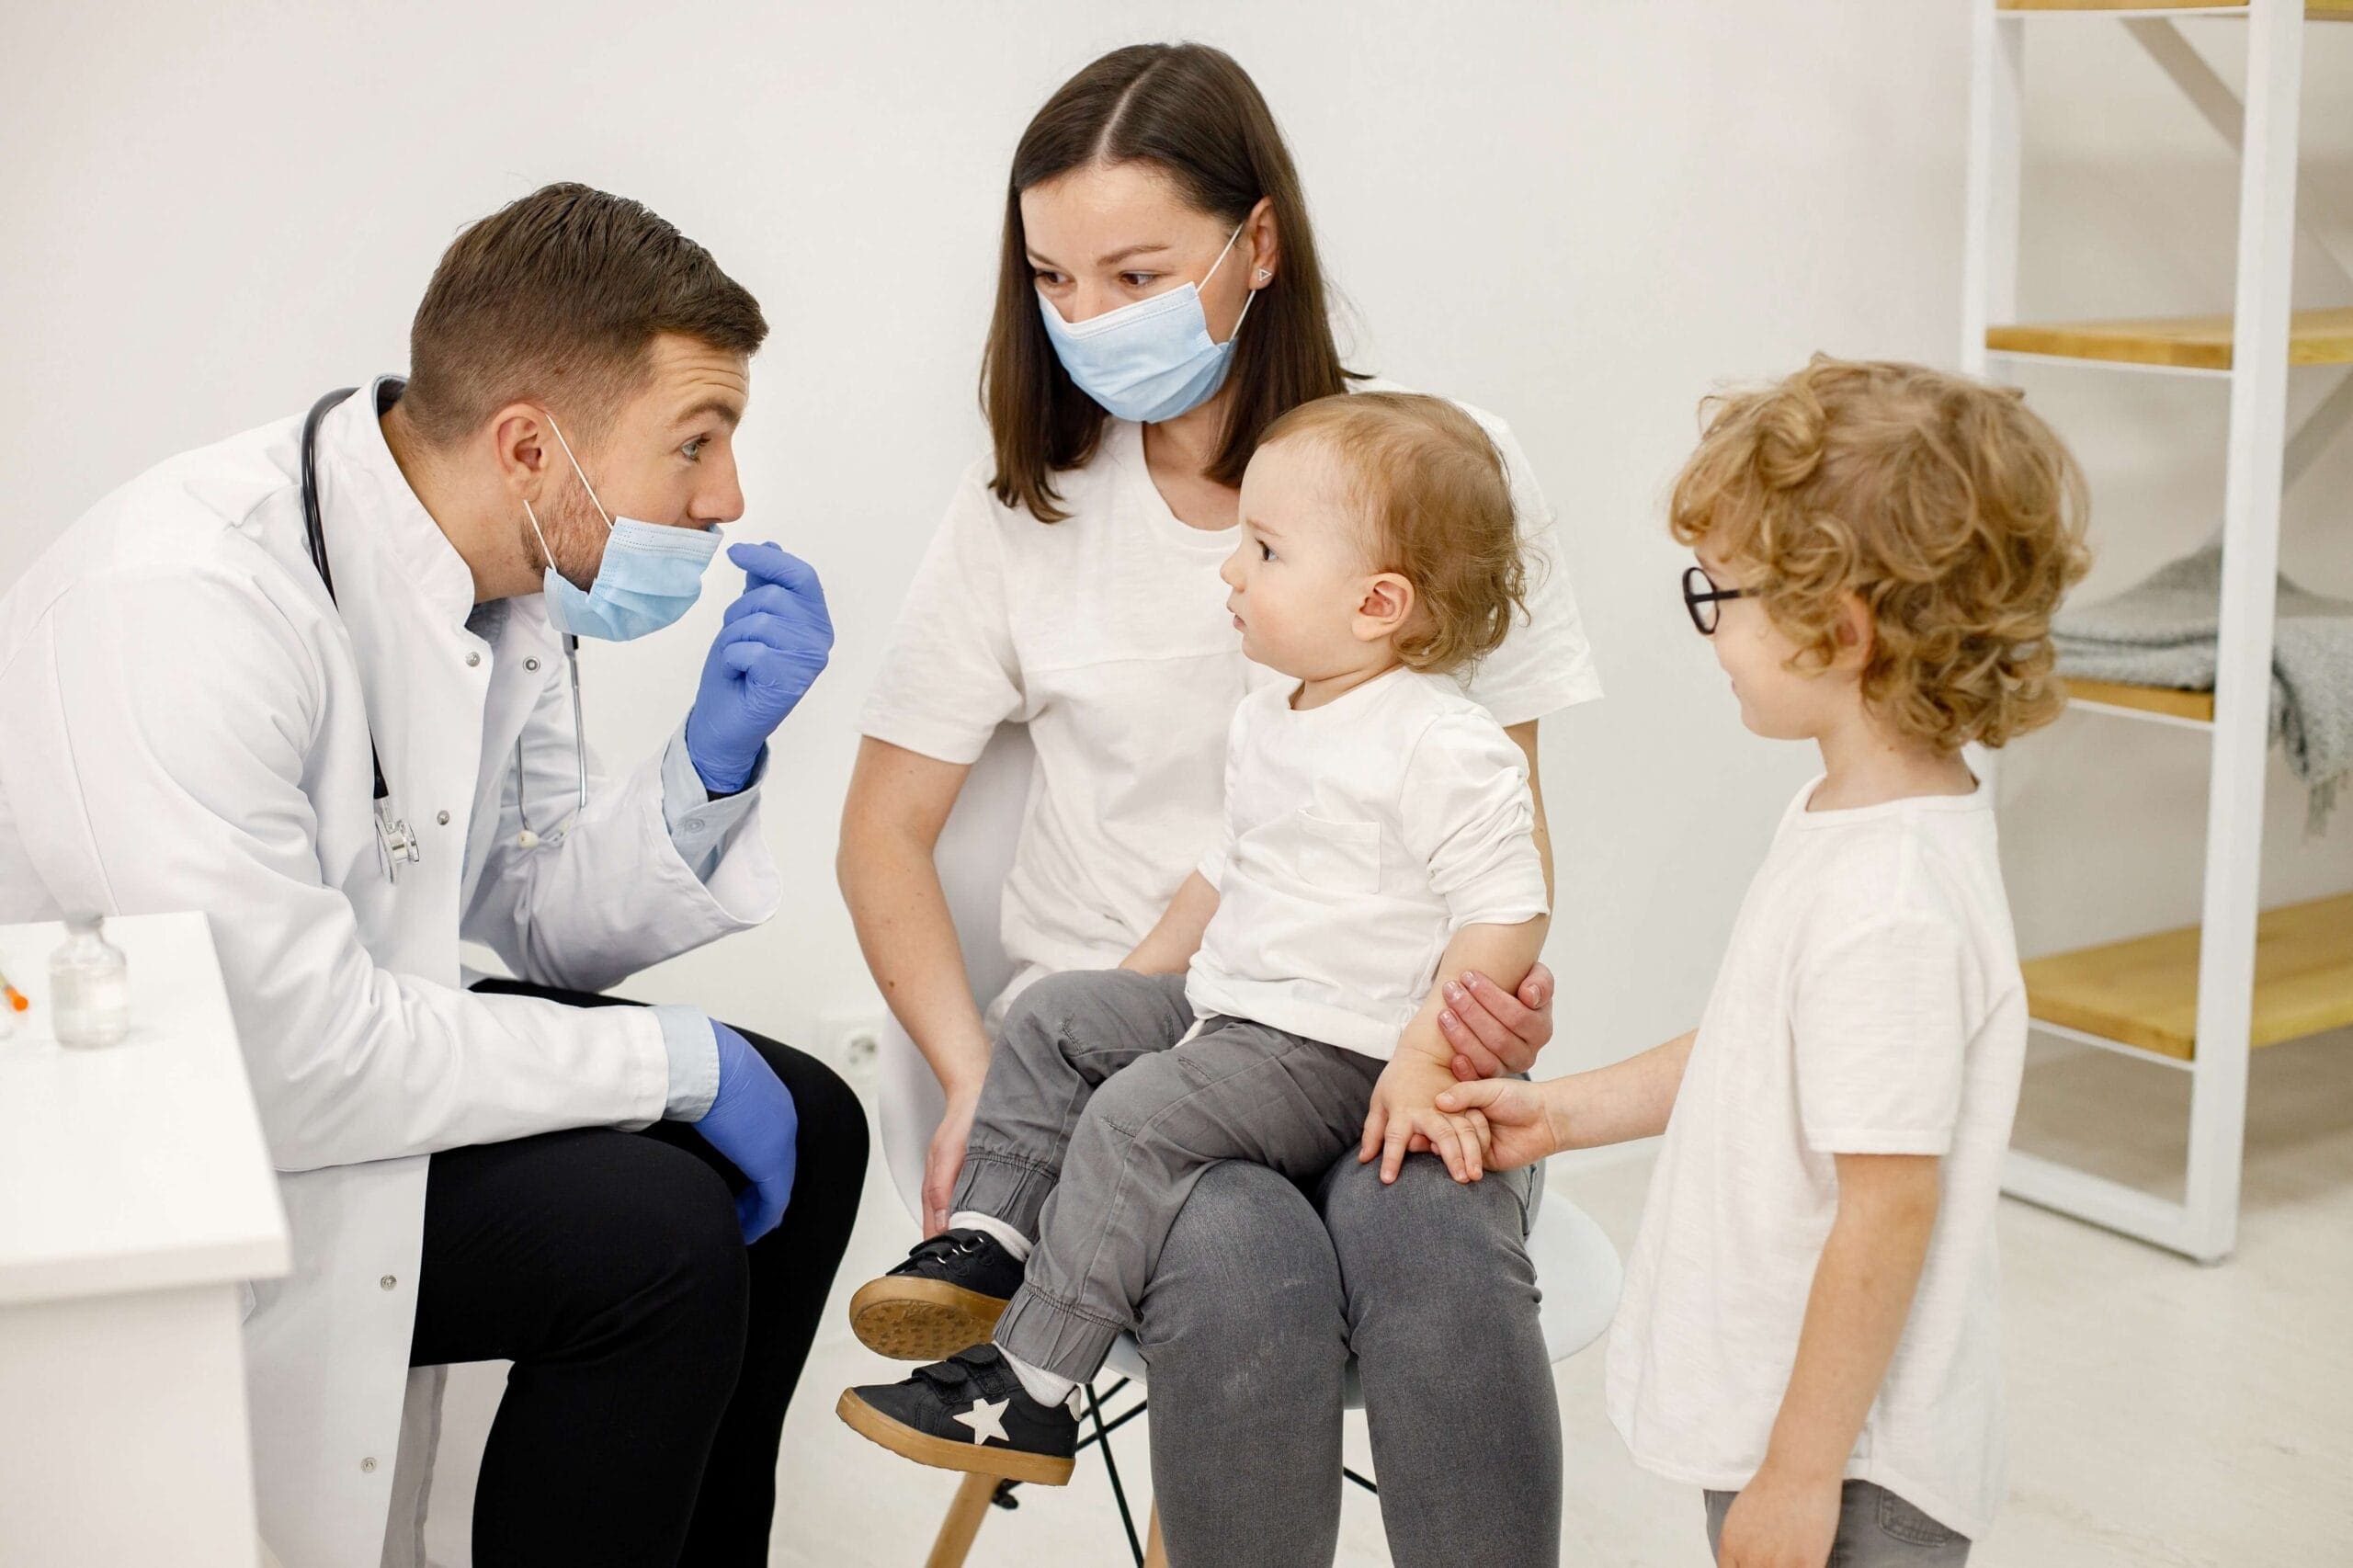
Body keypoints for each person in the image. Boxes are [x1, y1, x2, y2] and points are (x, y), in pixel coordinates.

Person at [0, 183, 867, 1568]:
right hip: (180, 1145)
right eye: (696, 441)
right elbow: (289, 1060)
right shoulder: (181, 605)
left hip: (329, 1066)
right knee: (656, 1238)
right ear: (532, 443)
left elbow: (520, 919)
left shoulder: (500, 587)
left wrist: (708, 767)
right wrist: (677, 1063)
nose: (727, 499)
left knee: (816, 1125)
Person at [839, 42, 1599, 1566]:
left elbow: (1503, 831)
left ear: (1259, 243)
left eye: (1135, 273)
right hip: (1151, 1048)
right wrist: (980, 1075)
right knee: (1241, 1257)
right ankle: (1028, 1347)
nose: (1088, 320)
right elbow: (882, 837)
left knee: (1431, 1227)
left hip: (1378, 1033)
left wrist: (1469, 1016)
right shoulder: (1020, 516)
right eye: (1053, 279)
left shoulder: (1437, 476)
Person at [1438, 358, 2090, 1567]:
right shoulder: (1854, 820)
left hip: (1849, 1457)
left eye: (1719, 596)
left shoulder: (1890, 904)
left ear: (1838, 628)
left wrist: (1797, 1473)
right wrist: (1561, 1112)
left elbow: (1888, 1205)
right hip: (1793, 1415)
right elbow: (1760, 1048)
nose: (1712, 631)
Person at [838, 392, 1549, 1479]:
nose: (1230, 570)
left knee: (1134, 1116)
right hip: (1238, 1009)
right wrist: (1116, 1003)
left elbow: (1511, 906)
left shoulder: (1442, 743)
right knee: (1058, 1011)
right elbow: (1218, 879)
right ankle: (991, 1242)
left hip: (1336, 1047)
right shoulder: (1275, 714)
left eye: (1263, 550)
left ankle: (1028, 1383)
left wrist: (1425, 1053)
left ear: (1377, 602)